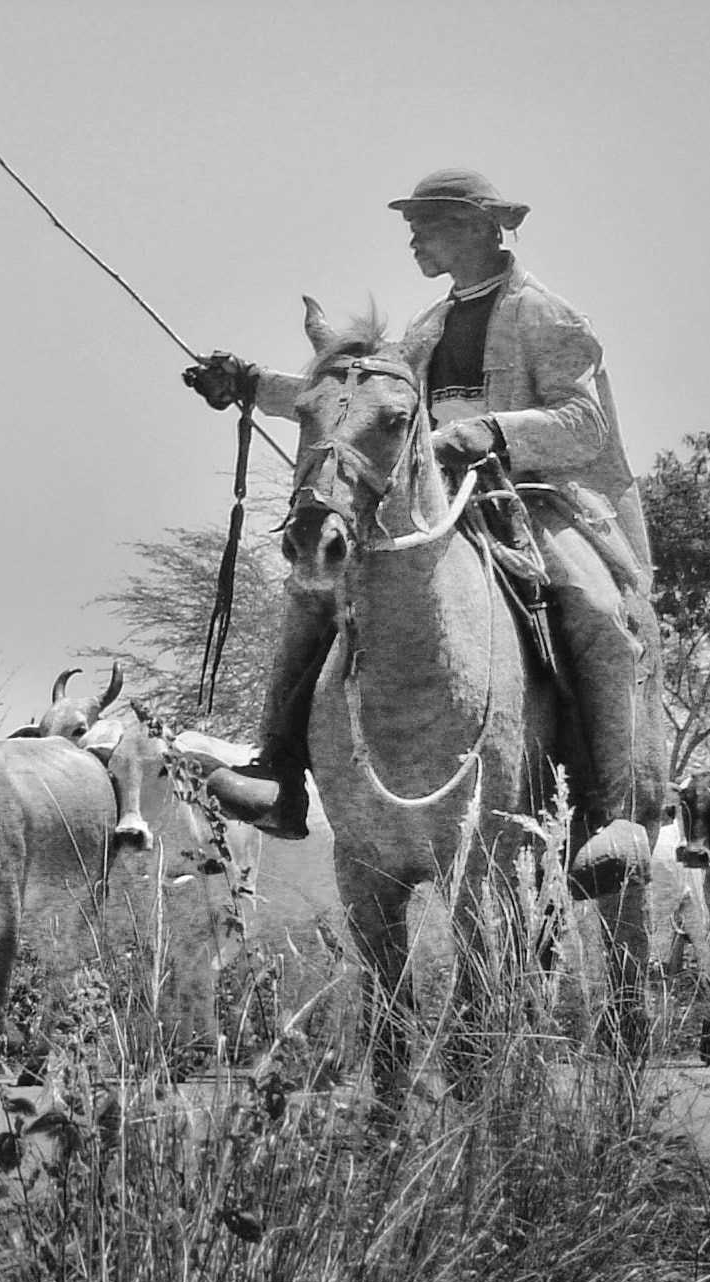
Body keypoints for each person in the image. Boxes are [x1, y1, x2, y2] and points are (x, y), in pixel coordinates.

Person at [185, 168, 661, 885]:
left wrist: (493, 432)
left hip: (533, 496)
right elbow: (361, 402)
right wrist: (251, 383)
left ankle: (607, 809)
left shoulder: (550, 318)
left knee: (592, 608)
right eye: (414, 224)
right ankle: (279, 763)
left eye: (429, 223)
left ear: (481, 226)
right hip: (434, 501)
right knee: (314, 588)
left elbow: (585, 425)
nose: (414, 237)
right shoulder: (428, 327)